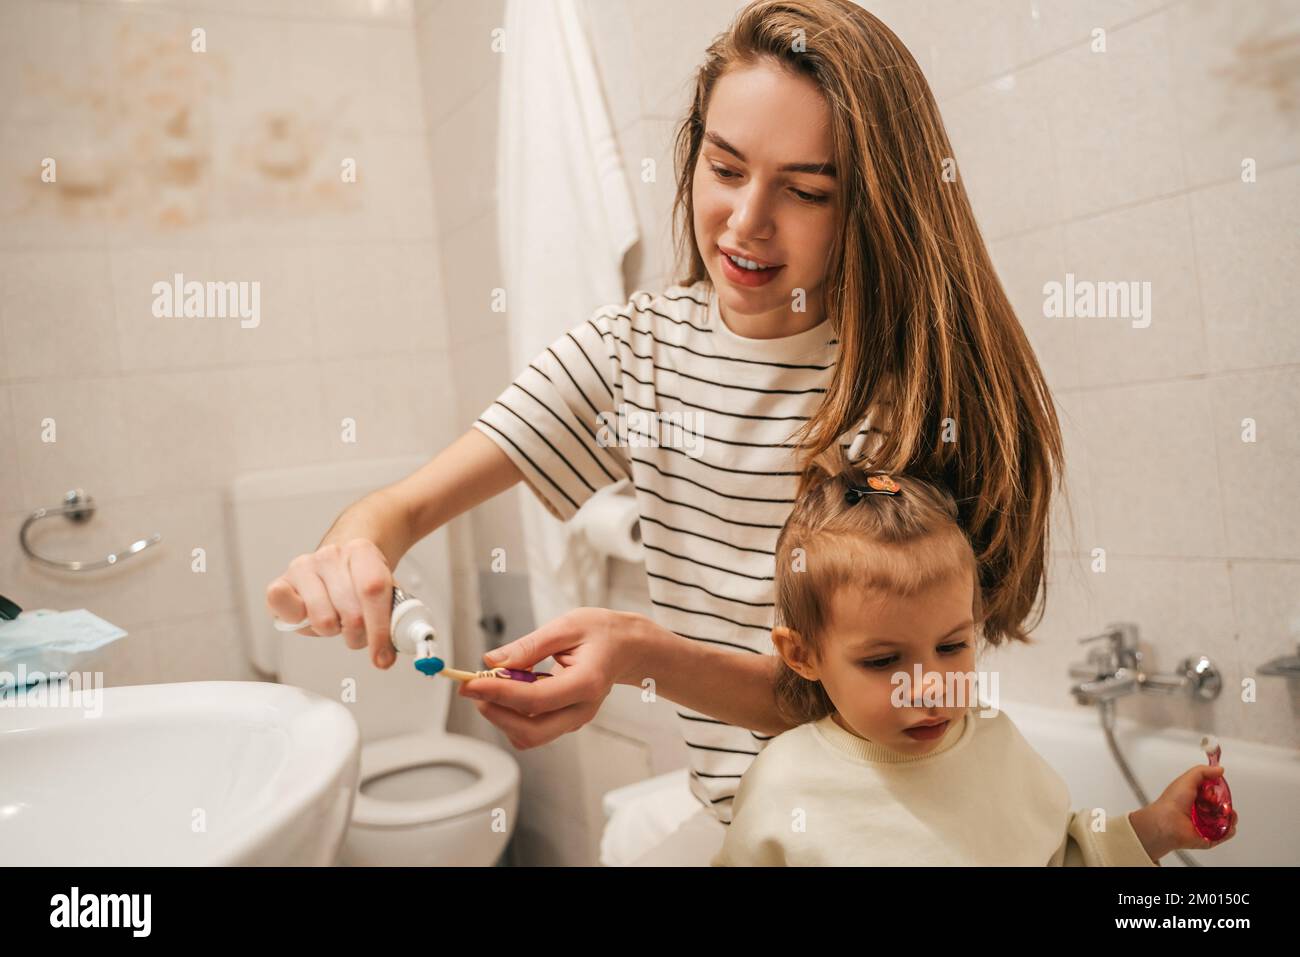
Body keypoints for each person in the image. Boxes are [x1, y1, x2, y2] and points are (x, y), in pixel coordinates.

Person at [265, 0, 1067, 863]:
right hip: (752, 821)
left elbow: (877, 696)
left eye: (804, 191)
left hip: (898, 822)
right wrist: (351, 553)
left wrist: (638, 651)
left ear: (872, 204)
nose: (746, 221)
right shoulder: (634, 353)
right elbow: (399, 507)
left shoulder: (907, 390)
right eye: (725, 168)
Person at [710, 458, 1239, 866]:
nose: (930, 687)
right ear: (803, 654)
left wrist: (1156, 829)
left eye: (951, 647)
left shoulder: (993, 741)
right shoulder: (785, 785)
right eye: (884, 660)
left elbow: (1058, 853)